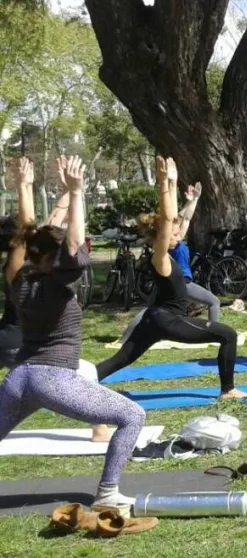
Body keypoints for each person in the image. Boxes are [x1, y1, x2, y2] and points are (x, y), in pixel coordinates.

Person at [0, 156, 147, 510]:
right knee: (132, 416)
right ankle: (108, 492)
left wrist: (23, 187)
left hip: (19, 378)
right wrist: (76, 192)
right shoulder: (59, 282)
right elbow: (74, 248)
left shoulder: (16, 279)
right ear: (55, 260)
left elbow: (25, 234)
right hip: (52, 378)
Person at [97, 157, 247, 400]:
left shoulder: (170, 253)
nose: (178, 234)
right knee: (228, 334)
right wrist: (165, 183)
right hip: (168, 320)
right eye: (172, 232)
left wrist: (173, 184)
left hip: (155, 319)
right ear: (161, 236)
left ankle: (79, 383)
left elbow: (176, 219)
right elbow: (169, 219)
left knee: (121, 359)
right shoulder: (160, 258)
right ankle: (228, 390)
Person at [116, 182, 221, 345]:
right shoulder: (165, 245)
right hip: (179, 283)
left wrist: (193, 200)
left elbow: (185, 218)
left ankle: (126, 337)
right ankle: (215, 333)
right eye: (175, 232)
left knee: (149, 311)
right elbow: (179, 218)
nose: (179, 234)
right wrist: (174, 188)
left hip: (170, 282)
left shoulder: (175, 239)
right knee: (214, 301)